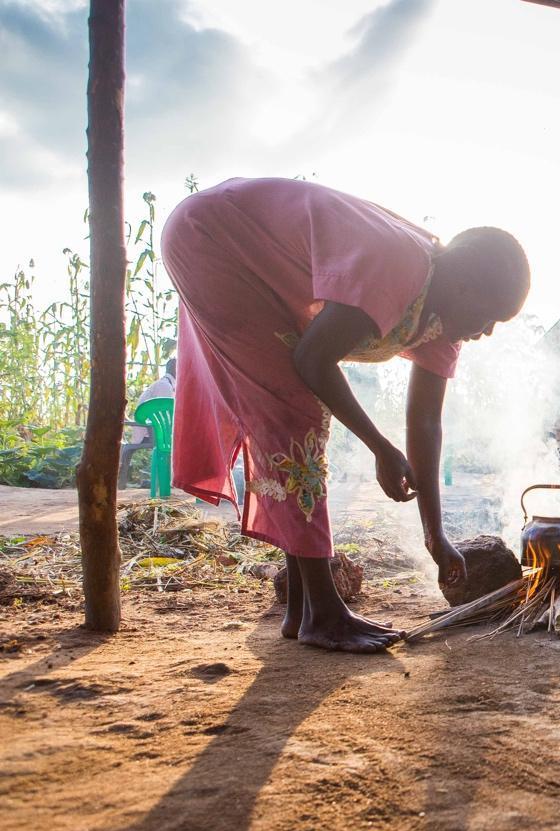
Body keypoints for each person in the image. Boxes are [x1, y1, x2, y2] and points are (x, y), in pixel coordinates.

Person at [162, 177, 530, 653]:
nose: (489, 332)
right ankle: (325, 613)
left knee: (296, 414)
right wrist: (379, 448)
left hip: (249, 258)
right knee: (295, 413)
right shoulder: (398, 266)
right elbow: (312, 360)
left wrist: (434, 536)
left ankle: (303, 609)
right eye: (491, 316)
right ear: (462, 287)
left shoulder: (445, 322)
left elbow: (424, 424)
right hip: (213, 237)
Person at [118, 357, 177, 488]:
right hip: (149, 432)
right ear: (175, 368)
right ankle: (172, 481)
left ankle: (169, 480)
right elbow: (167, 415)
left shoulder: (167, 385)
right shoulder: (164, 386)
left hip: (153, 431)